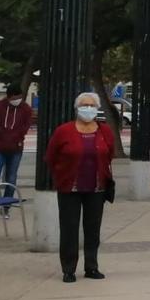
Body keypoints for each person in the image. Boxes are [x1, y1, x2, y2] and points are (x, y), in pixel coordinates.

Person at [45, 93, 115, 282]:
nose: (88, 108)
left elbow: (109, 154)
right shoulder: (63, 131)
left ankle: (91, 266)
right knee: (69, 228)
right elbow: (51, 157)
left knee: (93, 229)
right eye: (84, 105)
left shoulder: (105, 131)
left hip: (97, 188)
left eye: (92, 105)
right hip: (70, 188)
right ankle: (69, 269)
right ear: (77, 108)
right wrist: (61, 174)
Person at [0, 84, 33, 217]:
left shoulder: (26, 109)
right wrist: (4, 134)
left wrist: (15, 136)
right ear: (8, 97)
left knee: (11, 177)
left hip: (16, 148)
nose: (18, 100)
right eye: (15, 97)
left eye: (20, 97)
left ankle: (6, 207)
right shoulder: (0, 106)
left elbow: (25, 126)